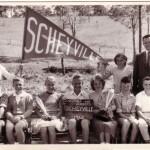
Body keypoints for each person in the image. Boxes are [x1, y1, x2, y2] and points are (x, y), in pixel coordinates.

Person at [32, 76, 66, 144]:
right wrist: (41, 116)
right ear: (45, 84)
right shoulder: (41, 96)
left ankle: (52, 146)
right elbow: (37, 109)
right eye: (48, 84)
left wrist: (55, 117)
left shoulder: (58, 96)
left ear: (55, 84)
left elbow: (61, 111)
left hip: (54, 118)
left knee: (51, 128)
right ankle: (46, 145)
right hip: (44, 118)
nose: (51, 87)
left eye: (52, 84)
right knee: (43, 128)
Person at [62, 73, 90, 144]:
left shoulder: (86, 95)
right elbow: (65, 109)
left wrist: (81, 115)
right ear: (72, 84)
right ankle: (75, 145)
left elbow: (88, 110)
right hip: (71, 118)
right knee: (72, 121)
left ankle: (85, 145)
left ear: (82, 83)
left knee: (85, 122)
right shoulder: (67, 95)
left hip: (84, 118)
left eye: (79, 83)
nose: (77, 85)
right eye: (75, 83)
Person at [89, 74, 117, 144]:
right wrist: (97, 111)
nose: (98, 85)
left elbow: (114, 106)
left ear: (102, 83)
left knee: (107, 125)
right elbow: (90, 109)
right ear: (93, 85)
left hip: (109, 117)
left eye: (99, 83)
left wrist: (109, 108)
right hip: (97, 117)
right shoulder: (91, 95)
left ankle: (107, 143)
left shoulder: (108, 93)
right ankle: (101, 143)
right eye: (95, 84)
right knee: (100, 124)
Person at [6, 77, 33, 144]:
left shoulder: (28, 96)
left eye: (20, 84)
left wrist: (21, 117)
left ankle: (21, 146)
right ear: (13, 86)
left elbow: (29, 110)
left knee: (18, 126)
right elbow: (8, 109)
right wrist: (10, 116)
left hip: (24, 118)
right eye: (16, 85)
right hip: (13, 117)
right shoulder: (10, 97)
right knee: (8, 127)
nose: (18, 86)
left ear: (23, 85)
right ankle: (12, 146)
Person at [114, 76, 138, 143]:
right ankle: (123, 142)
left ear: (131, 86)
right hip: (121, 117)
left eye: (128, 86)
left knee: (136, 123)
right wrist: (127, 118)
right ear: (121, 86)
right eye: (124, 86)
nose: (126, 88)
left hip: (130, 116)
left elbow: (133, 111)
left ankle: (131, 142)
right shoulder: (118, 97)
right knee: (126, 122)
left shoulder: (133, 97)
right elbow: (119, 113)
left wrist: (132, 117)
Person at [136, 76, 150, 143]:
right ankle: (147, 141)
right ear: (143, 85)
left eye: (149, 84)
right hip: (143, 115)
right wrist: (145, 119)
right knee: (141, 124)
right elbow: (138, 110)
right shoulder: (139, 95)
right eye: (146, 84)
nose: (148, 86)